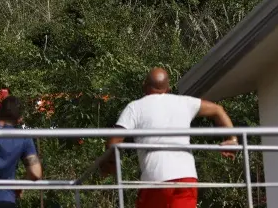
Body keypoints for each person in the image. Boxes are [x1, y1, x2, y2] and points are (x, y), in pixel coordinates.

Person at [95, 67, 237, 208]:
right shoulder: (184, 102)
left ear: (144, 86)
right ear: (168, 89)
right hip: (187, 178)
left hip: (156, 180)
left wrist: (110, 165)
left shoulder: (135, 107)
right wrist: (233, 139)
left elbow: (114, 141)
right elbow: (218, 110)